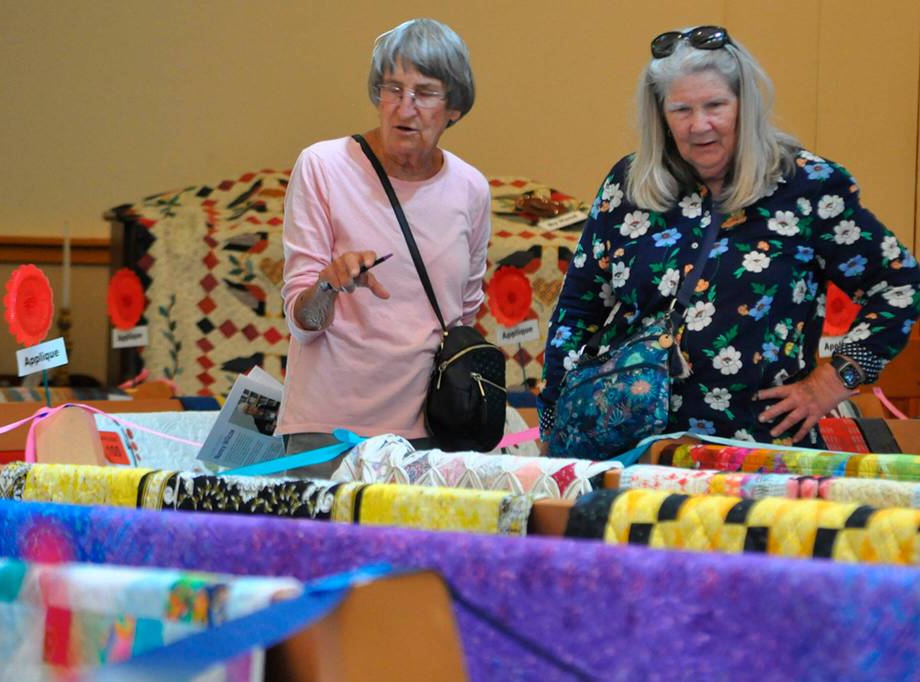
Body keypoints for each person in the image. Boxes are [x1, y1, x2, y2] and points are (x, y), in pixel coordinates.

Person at [539, 26, 920, 447]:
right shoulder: (629, 183)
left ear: (746, 105)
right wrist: (553, 426)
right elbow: (577, 311)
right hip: (633, 448)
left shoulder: (808, 185)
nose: (700, 125)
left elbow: (899, 284)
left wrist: (835, 379)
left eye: (716, 105)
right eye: (681, 109)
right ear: (661, 116)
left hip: (760, 450)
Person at [276, 18, 490, 474]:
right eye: (392, 89)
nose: (403, 108)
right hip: (328, 432)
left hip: (432, 434)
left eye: (425, 93)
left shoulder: (471, 188)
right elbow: (302, 320)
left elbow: (465, 314)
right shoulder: (323, 166)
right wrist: (327, 285)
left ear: (454, 107)